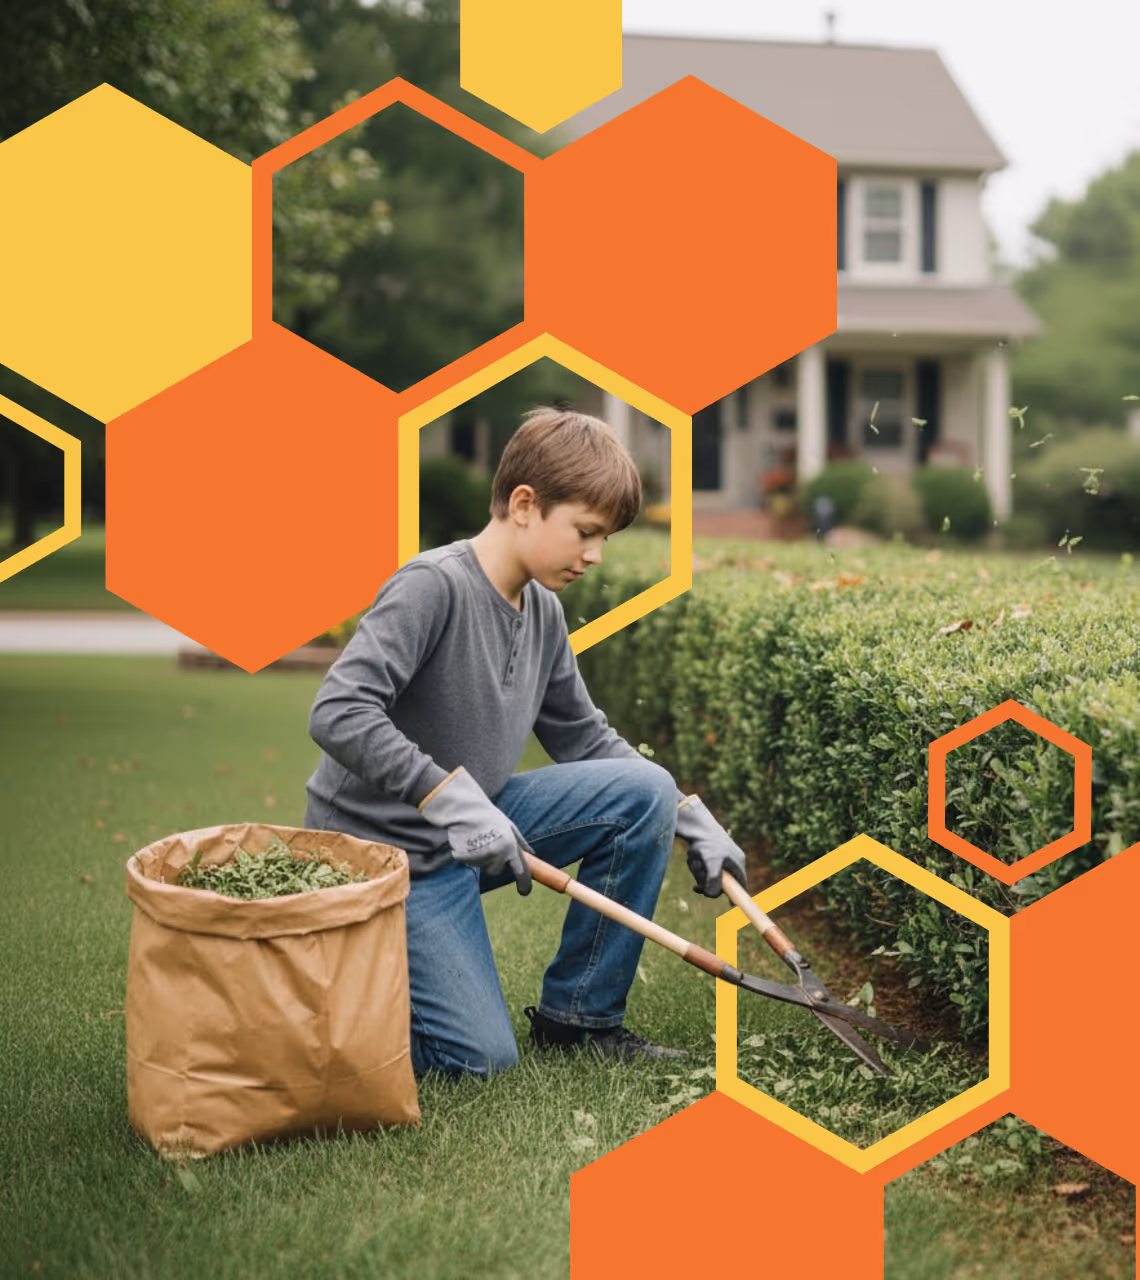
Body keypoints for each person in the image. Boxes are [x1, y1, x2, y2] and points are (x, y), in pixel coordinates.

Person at [304, 406, 747, 1076]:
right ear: (523, 504)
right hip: (384, 857)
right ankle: (331, 1007)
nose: (594, 556)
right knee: (478, 1059)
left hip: (476, 828)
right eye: (585, 533)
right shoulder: (434, 585)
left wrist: (688, 815)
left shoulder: (542, 610)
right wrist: (447, 798)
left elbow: (583, 737)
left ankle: (581, 1021)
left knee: (645, 793)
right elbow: (338, 710)